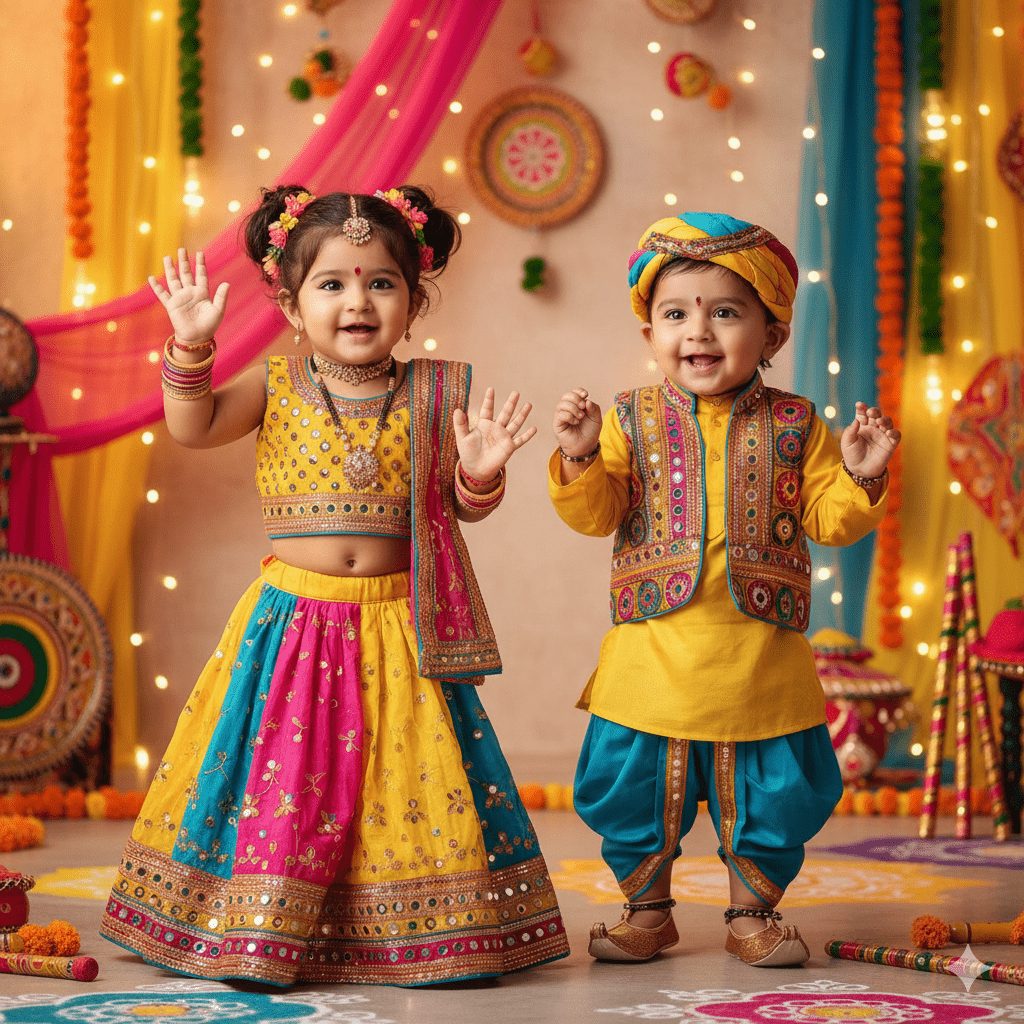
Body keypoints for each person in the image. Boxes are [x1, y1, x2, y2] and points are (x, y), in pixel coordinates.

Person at [100, 185, 569, 986]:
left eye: (381, 283)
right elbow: (192, 425)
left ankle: (430, 933)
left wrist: (481, 474)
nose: (358, 301)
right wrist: (190, 348)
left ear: (414, 301)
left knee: (404, 779)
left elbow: (458, 507)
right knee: (286, 779)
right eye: (333, 284)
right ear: (289, 304)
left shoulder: (433, 393)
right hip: (290, 629)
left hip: (398, 629)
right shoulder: (273, 387)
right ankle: (257, 925)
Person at [549, 211, 900, 968]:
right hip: (651, 659)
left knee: (774, 793)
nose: (698, 331)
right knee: (634, 786)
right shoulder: (629, 419)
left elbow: (827, 519)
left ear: (771, 335)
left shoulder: (798, 425)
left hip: (760, 657)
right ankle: (648, 910)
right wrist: (580, 458)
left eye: (726, 312)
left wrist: (862, 472)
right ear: (651, 335)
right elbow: (598, 514)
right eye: (676, 313)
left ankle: (752, 913)